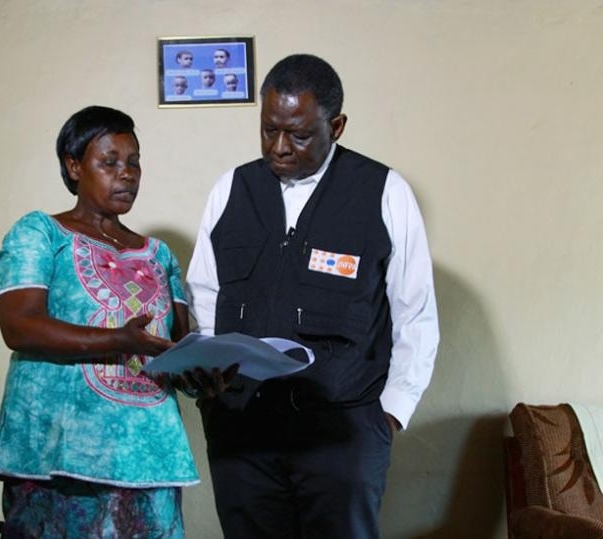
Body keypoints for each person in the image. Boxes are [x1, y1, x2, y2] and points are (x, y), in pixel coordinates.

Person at [185, 54, 439, 538]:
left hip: (343, 435)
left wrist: (388, 417)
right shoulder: (230, 189)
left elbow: (416, 314)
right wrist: (211, 404)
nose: (279, 148)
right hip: (243, 435)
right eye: (268, 130)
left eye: (299, 135)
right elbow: (203, 298)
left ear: (337, 125)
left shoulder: (385, 191)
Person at [0, 105, 199, 537]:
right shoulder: (40, 233)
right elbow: (20, 325)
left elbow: (181, 347)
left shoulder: (159, 255)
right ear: (73, 165)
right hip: (57, 455)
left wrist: (205, 374)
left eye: (134, 162)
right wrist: (118, 340)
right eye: (110, 162)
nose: (127, 174)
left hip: (149, 457)